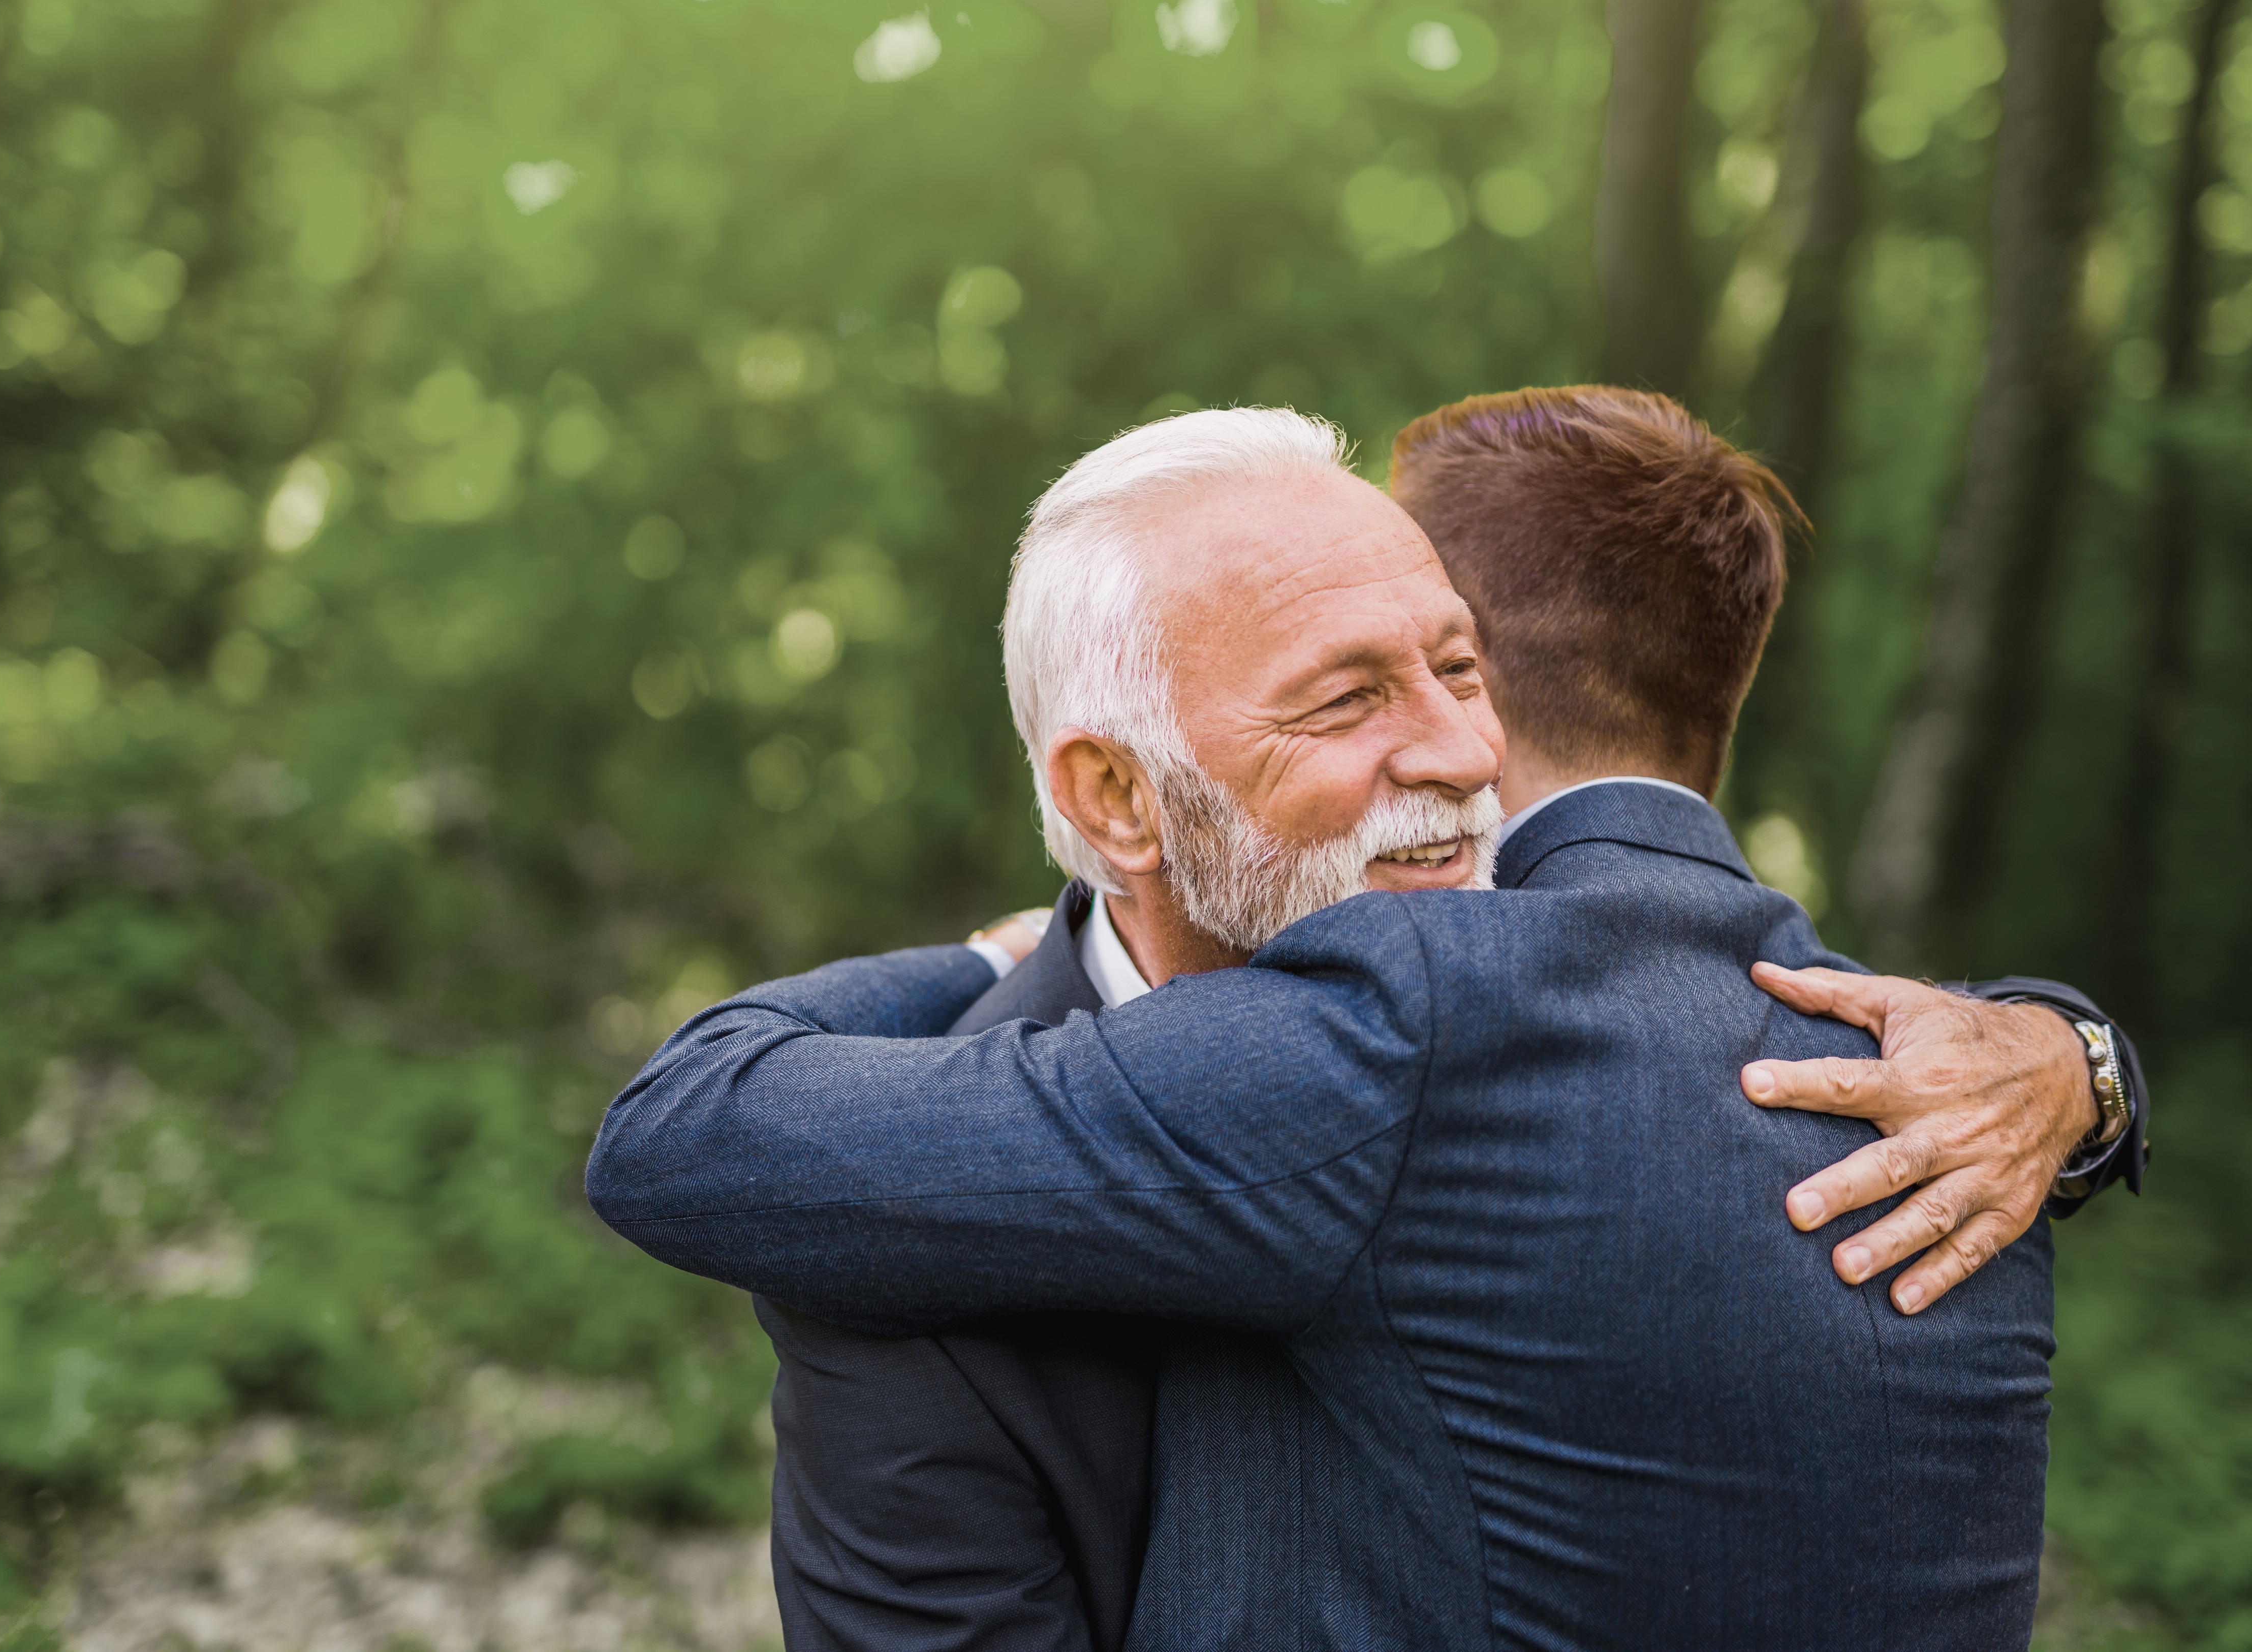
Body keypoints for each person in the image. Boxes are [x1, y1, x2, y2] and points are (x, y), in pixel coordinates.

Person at [591, 400, 2145, 1649]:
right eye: (1344, 700)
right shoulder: (900, 1214)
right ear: (1116, 798)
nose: (1468, 752)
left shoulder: (1909, 1082)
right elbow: (676, 1139)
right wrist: (2079, 1055)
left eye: (1464, 668)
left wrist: (2072, 1063)